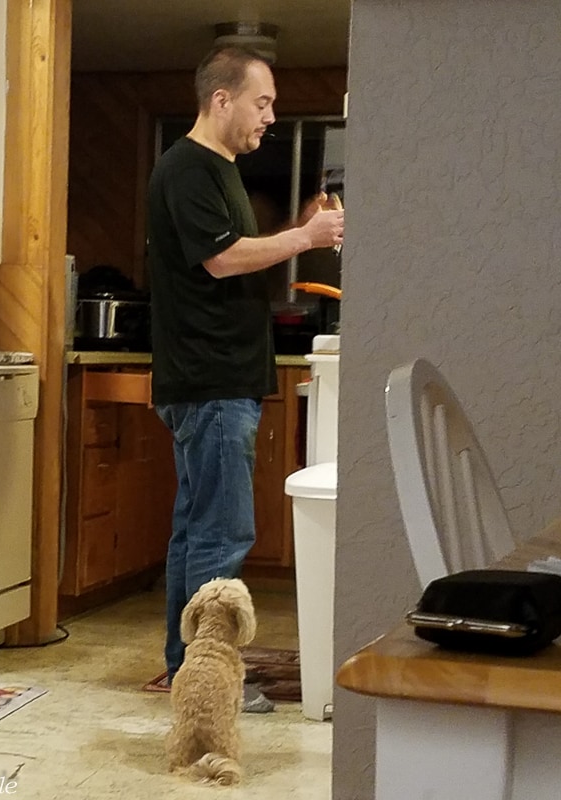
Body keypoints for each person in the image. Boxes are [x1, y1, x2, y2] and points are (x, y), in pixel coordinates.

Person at [146, 45, 344, 712]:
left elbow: (232, 253)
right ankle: (210, 679)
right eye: (262, 103)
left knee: (195, 532)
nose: (271, 116)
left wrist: (296, 232)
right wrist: (306, 238)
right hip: (209, 381)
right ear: (221, 99)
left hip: (211, 379)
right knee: (221, 535)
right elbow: (224, 260)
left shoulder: (218, 169)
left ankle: (188, 671)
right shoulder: (189, 169)